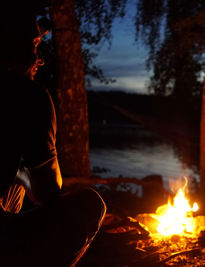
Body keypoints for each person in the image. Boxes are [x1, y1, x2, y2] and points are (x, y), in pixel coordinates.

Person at [0, 3, 106, 266]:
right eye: (33, 45)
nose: (40, 58)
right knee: (91, 204)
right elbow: (48, 192)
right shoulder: (28, 96)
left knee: (18, 186)